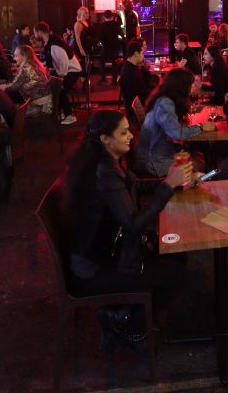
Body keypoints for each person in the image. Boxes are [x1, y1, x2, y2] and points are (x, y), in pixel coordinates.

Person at [66, 110, 190, 348]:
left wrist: (175, 184)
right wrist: (167, 186)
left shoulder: (106, 163)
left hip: (101, 255)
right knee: (178, 275)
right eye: (123, 132)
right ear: (105, 138)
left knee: (177, 255)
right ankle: (130, 324)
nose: (131, 136)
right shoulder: (104, 174)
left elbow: (134, 186)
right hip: (95, 271)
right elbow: (133, 224)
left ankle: (123, 309)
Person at [135, 68, 215, 176]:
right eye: (191, 84)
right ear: (182, 86)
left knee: (199, 156)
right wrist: (201, 127)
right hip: (154, 162)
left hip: (158, 152)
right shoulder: (165, 103)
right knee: (199, 163)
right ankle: (193, 187)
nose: (193, 87)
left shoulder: (164, 98)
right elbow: (177, 134)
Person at [6, 45, 51, 113]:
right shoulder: (33, 64)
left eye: (16, 56)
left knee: (9, 112)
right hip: (46, 103)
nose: (14, 58)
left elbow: (13, 86)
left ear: (24, 56)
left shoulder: (26, 68)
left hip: (41, 107)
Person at [120, 39, 153, 121]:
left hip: (139, 102)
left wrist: (145, 71)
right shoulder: (130, 72)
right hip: (139, 109)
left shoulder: (131, 67)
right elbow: (142, 94)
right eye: (142, 53)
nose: (143, 56)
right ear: (135, 54)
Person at [98, 10, 123, 81]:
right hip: (114, 45)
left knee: (102, 62)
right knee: (114, 62)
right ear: (112, 16)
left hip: (105, 46)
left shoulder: (102, 25)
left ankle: (103, 78)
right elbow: (121, 34)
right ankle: (114, 80)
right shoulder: (116, 24)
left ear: (104, 17)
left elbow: (100, 37)